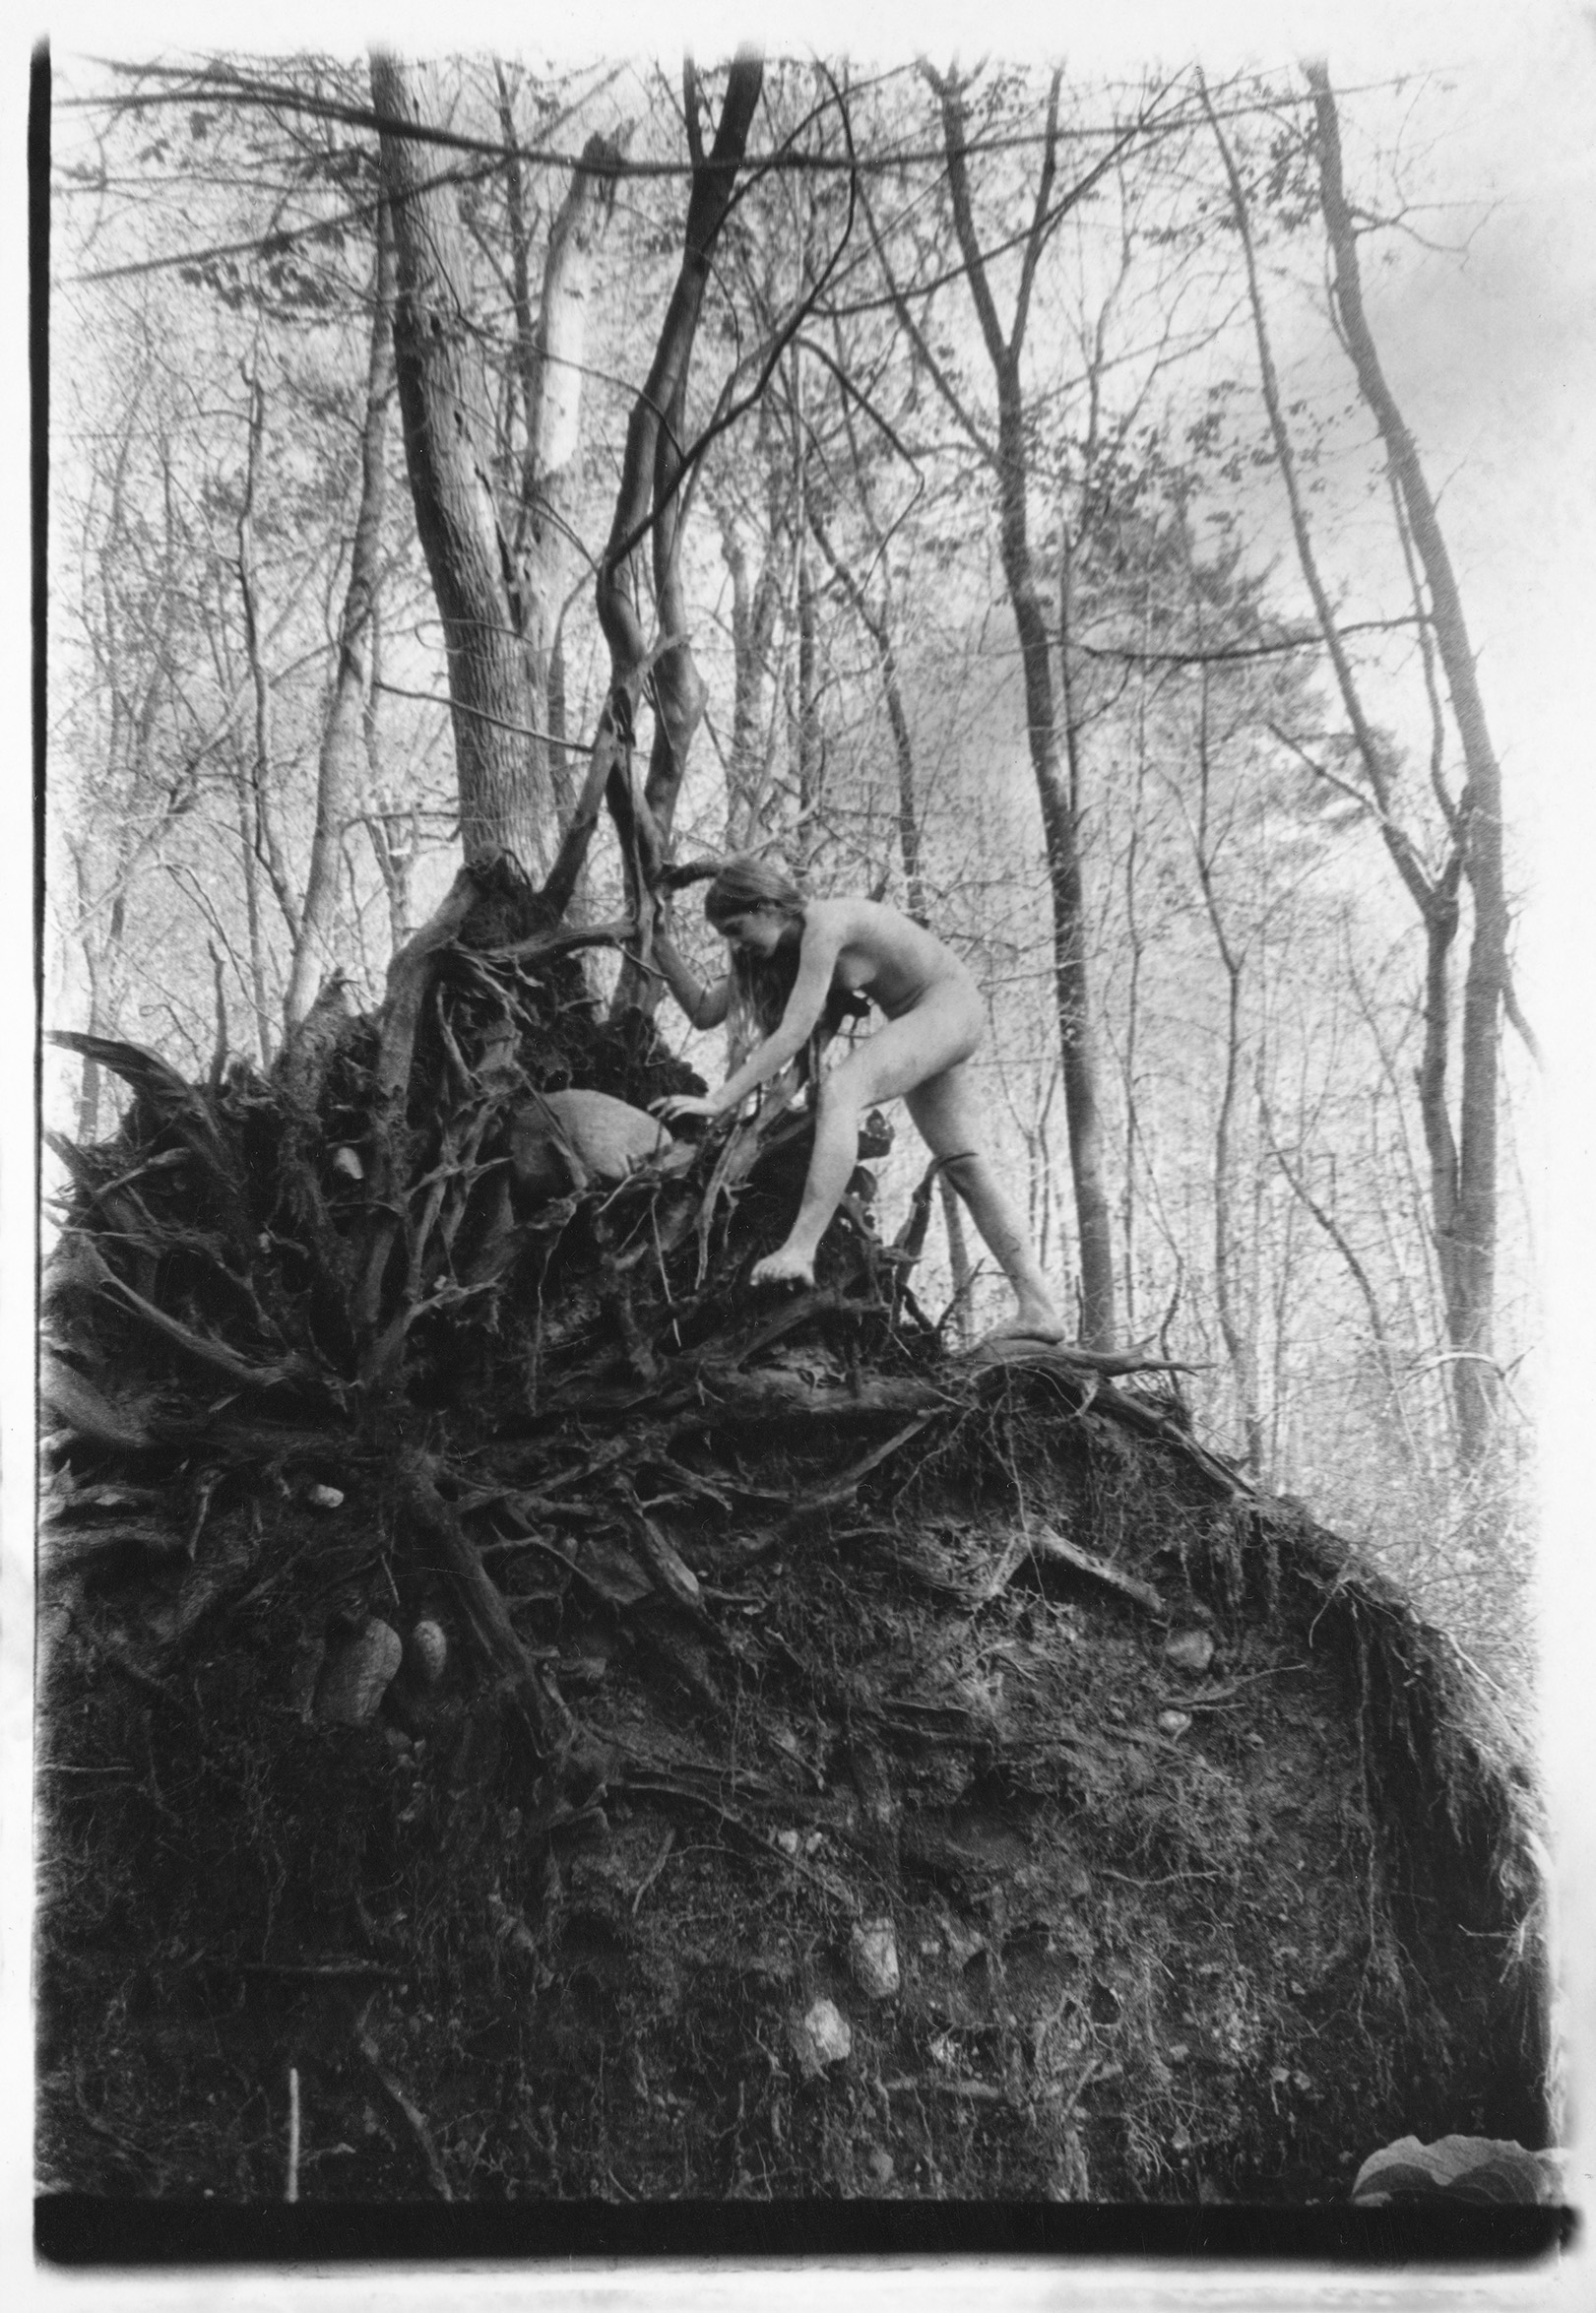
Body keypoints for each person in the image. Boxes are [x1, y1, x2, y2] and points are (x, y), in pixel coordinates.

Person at [651, 858, 1066, 1342]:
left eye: (737, 928)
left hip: (947, 1006)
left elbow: (793, 1034)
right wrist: (655, 938)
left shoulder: (826, 926)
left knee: (842, 1091)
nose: (735, 944)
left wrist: (718, 1100)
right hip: (932, 1016)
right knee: (965, 1166)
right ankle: (1040, 1309)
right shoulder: (781, 947)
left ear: (766, 907)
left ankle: (801, 1248)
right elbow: (704, 1010)